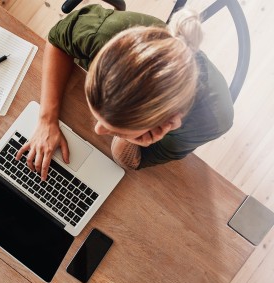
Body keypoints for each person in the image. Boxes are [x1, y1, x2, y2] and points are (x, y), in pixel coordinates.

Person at [16, 4, 234, 181]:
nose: (98, 129)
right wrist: (46, 119)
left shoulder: (210, 122)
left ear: (167, 124)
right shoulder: (106, 33)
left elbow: (128, 161)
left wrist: (132, 142)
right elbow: (58, 39)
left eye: (116, 130)